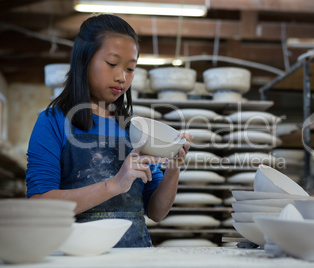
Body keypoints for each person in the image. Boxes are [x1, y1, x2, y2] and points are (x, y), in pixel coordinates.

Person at [25, 14, 192, 247]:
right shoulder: (52, 121)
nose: (121, 77)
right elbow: (40, 205)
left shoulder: (136, 129)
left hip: (136, 256)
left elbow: (156, 212)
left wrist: (174, 168)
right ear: (84, 60)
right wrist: (115, 184)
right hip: (76, 257)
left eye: (131, 68)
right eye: (112, 64)